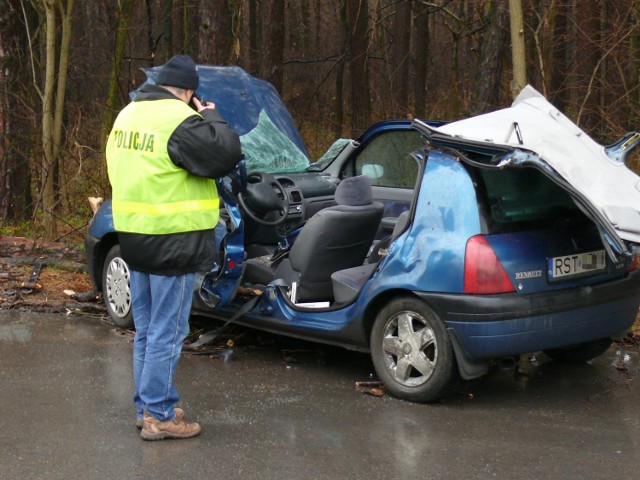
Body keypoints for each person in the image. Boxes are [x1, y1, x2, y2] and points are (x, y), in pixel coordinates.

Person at [105, 54, 242, 440]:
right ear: (187, 92)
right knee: (168, 331)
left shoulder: (127, 115)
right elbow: (225, 154)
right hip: (174, 241)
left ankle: (147, 406)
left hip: (134, 236)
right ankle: (161, 416)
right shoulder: (179, 119)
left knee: (148, 330)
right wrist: (212, 116)